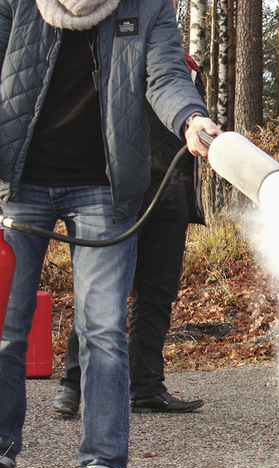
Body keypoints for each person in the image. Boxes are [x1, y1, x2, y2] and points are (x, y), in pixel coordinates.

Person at [0, 0, 220, 468]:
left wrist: (192, 118)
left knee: (101, 329)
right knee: (5, 329)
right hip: (18, 183)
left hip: (104, 188)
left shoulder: (147, 7)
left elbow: (165, 74)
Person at [53, 50, 207, 416]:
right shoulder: (117, 55)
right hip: (118, 192)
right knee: (101, 290)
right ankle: (73, 385)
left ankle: (148, 388)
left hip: (171, 190)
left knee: (156, 295)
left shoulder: (188, 67)